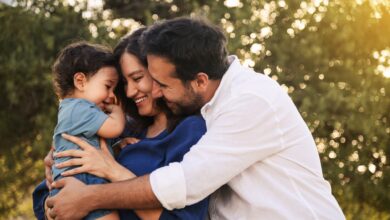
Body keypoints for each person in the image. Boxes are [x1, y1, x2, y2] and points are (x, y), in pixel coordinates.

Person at [46, 17, 345, 220]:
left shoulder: (250, 101)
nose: (157, 93)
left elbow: (184, 183)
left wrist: (91, 196)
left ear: (200, 81)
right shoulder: (200, 107)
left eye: (162, 84)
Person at [33, 28, 209, 220]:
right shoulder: (122, 128)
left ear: (159, 73)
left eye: (137, 78)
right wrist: (56, 206)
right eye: (123, 83)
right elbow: (43, 196)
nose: (130, 91)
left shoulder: (191, 131)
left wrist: (110, 170)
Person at [48, 41, 125, 220]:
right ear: (80, 81)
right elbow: (115, 128)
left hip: (74, 181)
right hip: (82, 179)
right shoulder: (79, 108)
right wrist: (118, 111)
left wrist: (120, 144)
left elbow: (101, 143)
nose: (112, 96)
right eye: (108, 86)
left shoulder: (74, 111)